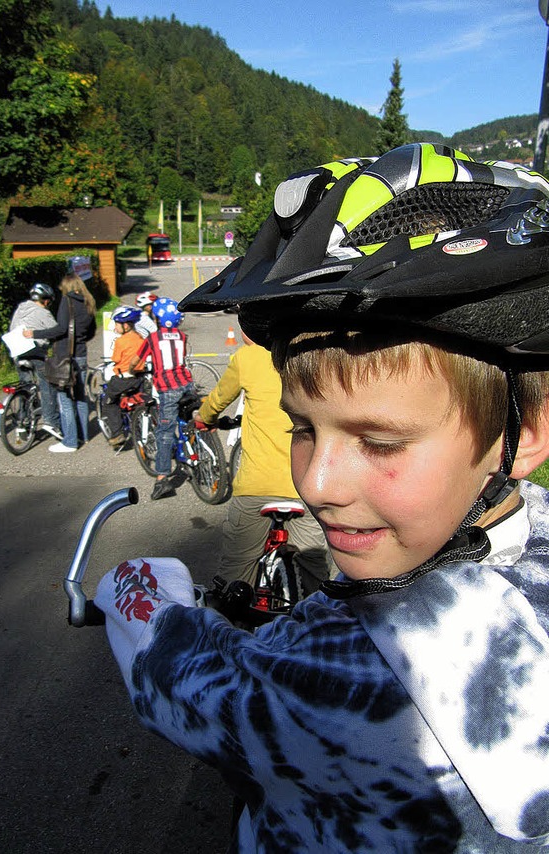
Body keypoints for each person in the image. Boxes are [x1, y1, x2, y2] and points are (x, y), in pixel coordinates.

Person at [95, 144, 549, 850]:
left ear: (523, 436)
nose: (318, 484)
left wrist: (142, 591)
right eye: (302, 427)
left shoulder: (330, 672)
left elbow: (196, 690)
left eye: (380, 441)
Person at [196, 328, 332, 593]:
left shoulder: (248, 358)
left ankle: (232, 627)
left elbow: (217, 401)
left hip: (257, 488)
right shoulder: (310, 353)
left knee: (234, 576)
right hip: (306, 487)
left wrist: (204, 417)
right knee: (315, 573)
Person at [128, 297, 193, 500]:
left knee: (164, 432)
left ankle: (162, 479)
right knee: (187, 420)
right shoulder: (182, 336)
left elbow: (137, 361)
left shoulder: (152, 339)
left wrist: (131, 370)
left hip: (168, 388)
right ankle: (193, 446)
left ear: (158, 319)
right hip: (186, 383)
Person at [24, 273, 96, 453]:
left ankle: (70, 441)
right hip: (81, 354)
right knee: (80, 396)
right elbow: (92, 330)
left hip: (66, 356)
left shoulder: (67, 301)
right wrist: (80, 339)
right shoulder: (89, 301)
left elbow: (61, 329)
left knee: (64, 398)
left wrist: (35, 334)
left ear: (66, 287)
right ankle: (83, 436)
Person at [9, 283, 62, 440]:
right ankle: (51, 420)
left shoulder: (21, 308)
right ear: (46, 301)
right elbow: (56, 331)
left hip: (18, 353)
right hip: (35, 353)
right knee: (48, 384)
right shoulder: (43, 313)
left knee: (25, 388)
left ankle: (22, 424)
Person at [100, 305, 145, 446]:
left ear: (126, 325)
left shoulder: (120, 341)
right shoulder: (140, 338)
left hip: (123, 378)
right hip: (139, 377)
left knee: (109, 402)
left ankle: (117, 433)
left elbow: (116, 359)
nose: (115, 328)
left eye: (117, 325)